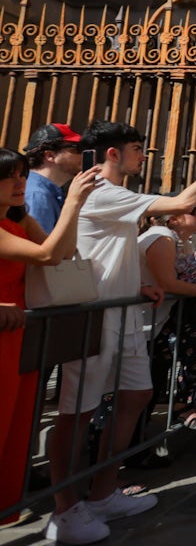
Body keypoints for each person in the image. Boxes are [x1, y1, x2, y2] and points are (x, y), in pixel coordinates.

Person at [47, 121, 196, 543]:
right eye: (136, 148)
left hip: (125, 312)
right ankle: (64, 509)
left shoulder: (115, 196)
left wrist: (135, 286)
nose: (142, 155)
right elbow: (183, 201)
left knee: (135, 396)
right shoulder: (100, 189)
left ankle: (103, 492)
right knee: (76, 414)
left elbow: (105, 250)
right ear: (113, 154)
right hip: (93, 318)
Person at [0, 150, 99, 530]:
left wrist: (76, 206)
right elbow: (45, 254)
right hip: (6, 334)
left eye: (22, 175)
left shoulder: (18, 218)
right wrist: (73, 200)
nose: (20, 183)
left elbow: (61, 254)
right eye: (9, 177)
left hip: (20, 333)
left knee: (16, 423)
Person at [140, 196, 196, 432]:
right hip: (145, 323)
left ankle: (185, 407)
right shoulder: (161, 237)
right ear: (173, 218)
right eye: (194, 211)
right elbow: (169, 283)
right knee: (143, 385)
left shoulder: (181, 241)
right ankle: (180, 409)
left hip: (160, 320)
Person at [22, 123, 84, 233]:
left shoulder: (40, 189)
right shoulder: (38, 195)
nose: (83, 155)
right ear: (50, 155)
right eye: (77, 149)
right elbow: (38, 247)